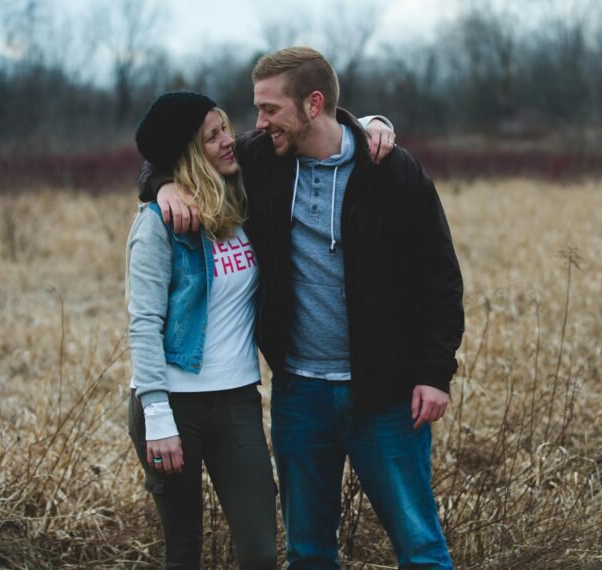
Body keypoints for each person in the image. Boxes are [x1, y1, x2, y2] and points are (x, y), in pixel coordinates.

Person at [141, 47, 464, 569]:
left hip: (385, 395)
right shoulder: (262, 160)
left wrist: (435, 373)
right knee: (308, 552)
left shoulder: (394, 172)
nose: (257, 122)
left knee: (421, 548)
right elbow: (176, 156)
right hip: (300, 396)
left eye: (270, 109)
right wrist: (163, 186)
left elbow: (441, 281)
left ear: (314, 104)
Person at [127, 91, 277, 569]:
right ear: (189, 153)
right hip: (171, 402)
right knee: (184, 551)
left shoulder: (244, 198)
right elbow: (144, 324)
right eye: (212, 137)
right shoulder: (158, 225)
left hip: (236, 398)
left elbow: (305, 126)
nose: (228, 141)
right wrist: (157, 416)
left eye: (225, 128)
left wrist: (374, 123)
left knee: (260, 551)